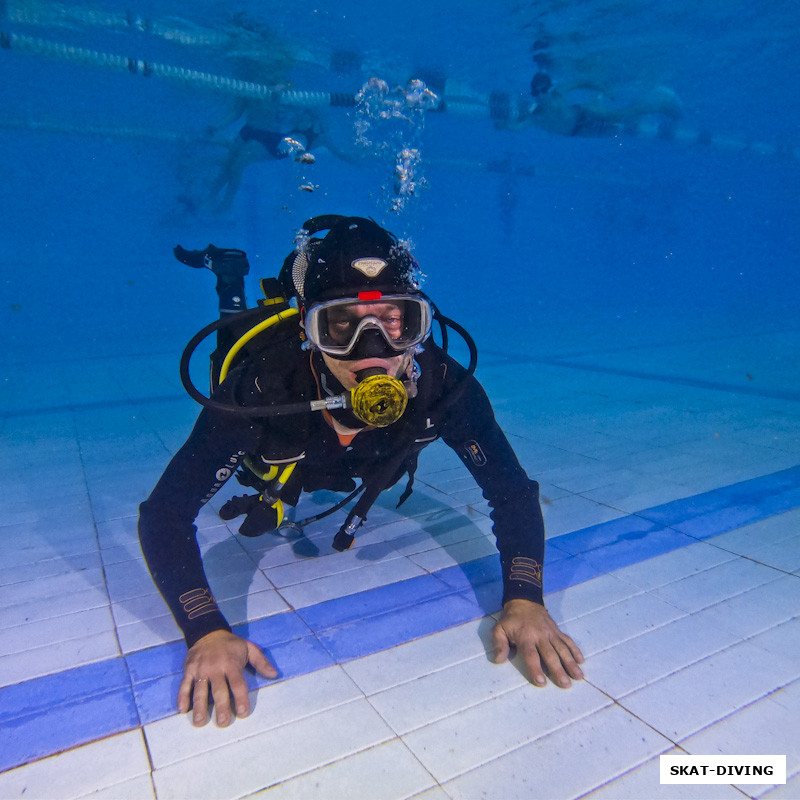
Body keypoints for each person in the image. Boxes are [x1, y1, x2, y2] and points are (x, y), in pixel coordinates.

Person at [138, 215, 585, 727]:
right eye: (341, 325)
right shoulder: (261, 389)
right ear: (309, 330)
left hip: (362, 463)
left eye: (395, 322)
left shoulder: (443, 386)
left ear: (418, 326)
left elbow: (511, 493)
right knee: (257, 450)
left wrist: (525, 597)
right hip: (286, 454)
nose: (372, 350)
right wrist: (206, 630)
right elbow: (165, 515)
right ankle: (230, 278)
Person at [508, 71, 682, 138]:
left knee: (621, 117)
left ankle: (660, 101)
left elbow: (581, 82)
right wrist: (505, 126)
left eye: (543, 90)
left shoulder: (558, 92)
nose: (540, 96)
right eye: (535, 93)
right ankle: (599, 97)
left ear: (549, 88)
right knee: (618, 129)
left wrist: (603, 88)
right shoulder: (536, 114)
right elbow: (521, 126)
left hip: (583, 114)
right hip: (579, 131)